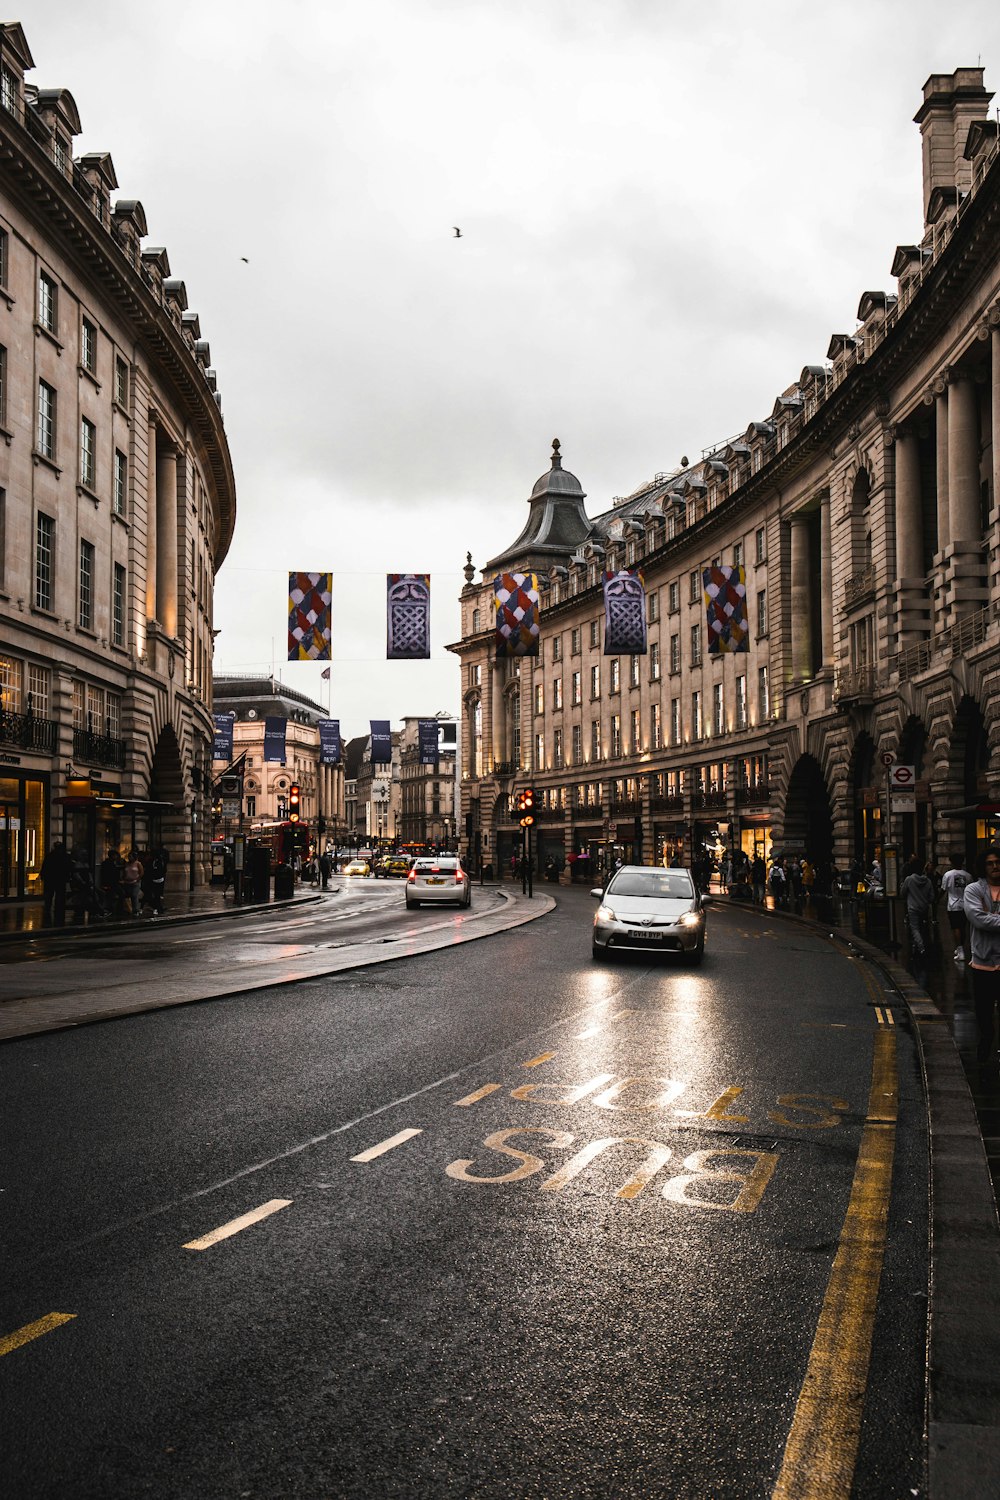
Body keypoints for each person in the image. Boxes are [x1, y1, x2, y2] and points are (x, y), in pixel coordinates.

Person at [963, 846, 1000, 1067]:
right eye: (990, 863)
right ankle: (983, 1058)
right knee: (985, 1017)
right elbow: (978, 919)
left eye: (998, 862)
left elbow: (987, 920)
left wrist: (991, 918)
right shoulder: (973, 890)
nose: (995, 866)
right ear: (983, 866)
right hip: (983, 965)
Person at [899, 857, 935, 964]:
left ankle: (921, 948)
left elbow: (902, 893)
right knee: (923, 927)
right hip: (924, 908)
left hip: (913, 908)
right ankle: (920, 944)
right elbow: (932, 897)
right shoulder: (927, 881)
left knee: (915, 928)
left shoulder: (909, 880)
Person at [941, 854, 972, 963]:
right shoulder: (968, 876)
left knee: (955, 927)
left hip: (953, 905)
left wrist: (936, 899)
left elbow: (943, 889)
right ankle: (960, 948)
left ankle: (960, 949)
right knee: (963, 927)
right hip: (965, 904)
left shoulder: (948, 875)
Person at [41, 840, 72, 926]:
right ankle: (57, 910)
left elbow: (44, 867)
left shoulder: (50, 856)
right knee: (59, 896)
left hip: (50, 879)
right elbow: (68, 867)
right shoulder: (65, 856)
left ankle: (48, 910)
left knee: (49, 896)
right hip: (59, 880)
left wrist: (43, 876)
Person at [144, 844, 168, 916]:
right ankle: (158, 908)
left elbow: (162, 870)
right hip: (153, 879)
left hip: (158, 880)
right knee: (153, 895)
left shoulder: (159, 861)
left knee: (156, 895)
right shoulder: (152, 861)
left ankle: (158, 908)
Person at [123, 848, 144, 917]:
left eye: (131, 856)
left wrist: (138, 879)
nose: (129, 858)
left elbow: (141, 872)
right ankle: (128, 909)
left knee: (134, 895)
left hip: (135, 882)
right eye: (129, 856)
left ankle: (135, 910)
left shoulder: (138, 863)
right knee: (127, 896)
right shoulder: (127, 863)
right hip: (127, 882)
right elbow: (124, 872)